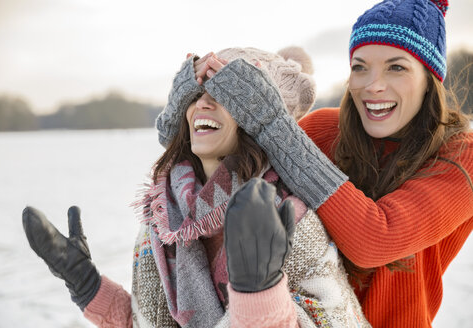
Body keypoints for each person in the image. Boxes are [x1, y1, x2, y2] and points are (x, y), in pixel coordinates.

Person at [167, 0, 472, 327]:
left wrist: (273, 123)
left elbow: (374, 239)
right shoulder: (322, 129)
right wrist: (189, 97)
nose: (372, 85)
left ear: (430, 78)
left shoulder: (460, 157)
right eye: (359, 66)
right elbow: (226, 162)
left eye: (396, 67)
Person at [22, 47, 370, 327]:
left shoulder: (287, 216)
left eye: (224, 94)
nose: (203, 103)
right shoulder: (164, 219)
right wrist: (87, 286)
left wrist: (259, 293)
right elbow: (149, 322)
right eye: (198, 94)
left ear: (258, 115)